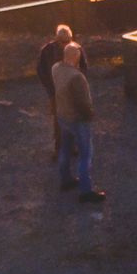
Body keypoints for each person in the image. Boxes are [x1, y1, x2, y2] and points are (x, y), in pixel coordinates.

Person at [52, 40, 105, 203]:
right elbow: (83, 103)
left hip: (62, 115)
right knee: (85, 154)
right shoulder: (77, 77)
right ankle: (85, 191)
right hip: (77, 120)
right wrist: (90, 115)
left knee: (65, 149)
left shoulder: (56, 69)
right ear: (76, 57)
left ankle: (66, 179)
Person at [34, 24, 82, 159]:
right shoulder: (47, 52)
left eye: (68, 41)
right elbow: (41, 71)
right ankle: (60, 148)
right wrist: (50, 89)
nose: (66, 44)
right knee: (59, 120)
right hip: (56, 91)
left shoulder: (75, 49)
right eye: (63, 42)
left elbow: (83, 67)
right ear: (57, 39)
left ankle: (71, 147)